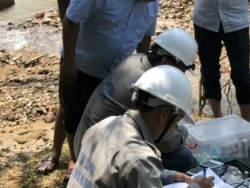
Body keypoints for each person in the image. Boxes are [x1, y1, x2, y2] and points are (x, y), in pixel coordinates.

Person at [36, 0, 148, 178]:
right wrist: (72, 46)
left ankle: (89, 154)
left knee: (95, 104)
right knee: (69, 103)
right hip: (78, 46)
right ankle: (57, 153)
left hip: (109, 54)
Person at [60, 0, 177, 181]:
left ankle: (103, 166)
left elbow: (145, 37)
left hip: (117, 71)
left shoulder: (150, 0)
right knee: (74, 113)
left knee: (108, 124)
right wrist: (70, 61)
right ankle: (77, 163)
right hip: (84, 66)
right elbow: (72, 19)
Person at [73, 28, 198, 173]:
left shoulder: (135, 59)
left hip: (89, 141)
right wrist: (183, 133)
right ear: (165, 61)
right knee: (183, 157)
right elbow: (165, 142)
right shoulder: (149, 86)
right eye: (180, 70)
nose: (180, 75)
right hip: (98, 155)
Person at [68, 66, 215, 188]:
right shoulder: (140, 158)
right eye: (177, 121)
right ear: (164, 114)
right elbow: (135, 167)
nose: (175, 127)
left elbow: (119, 173)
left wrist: (169, 176)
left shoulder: (103, 125)